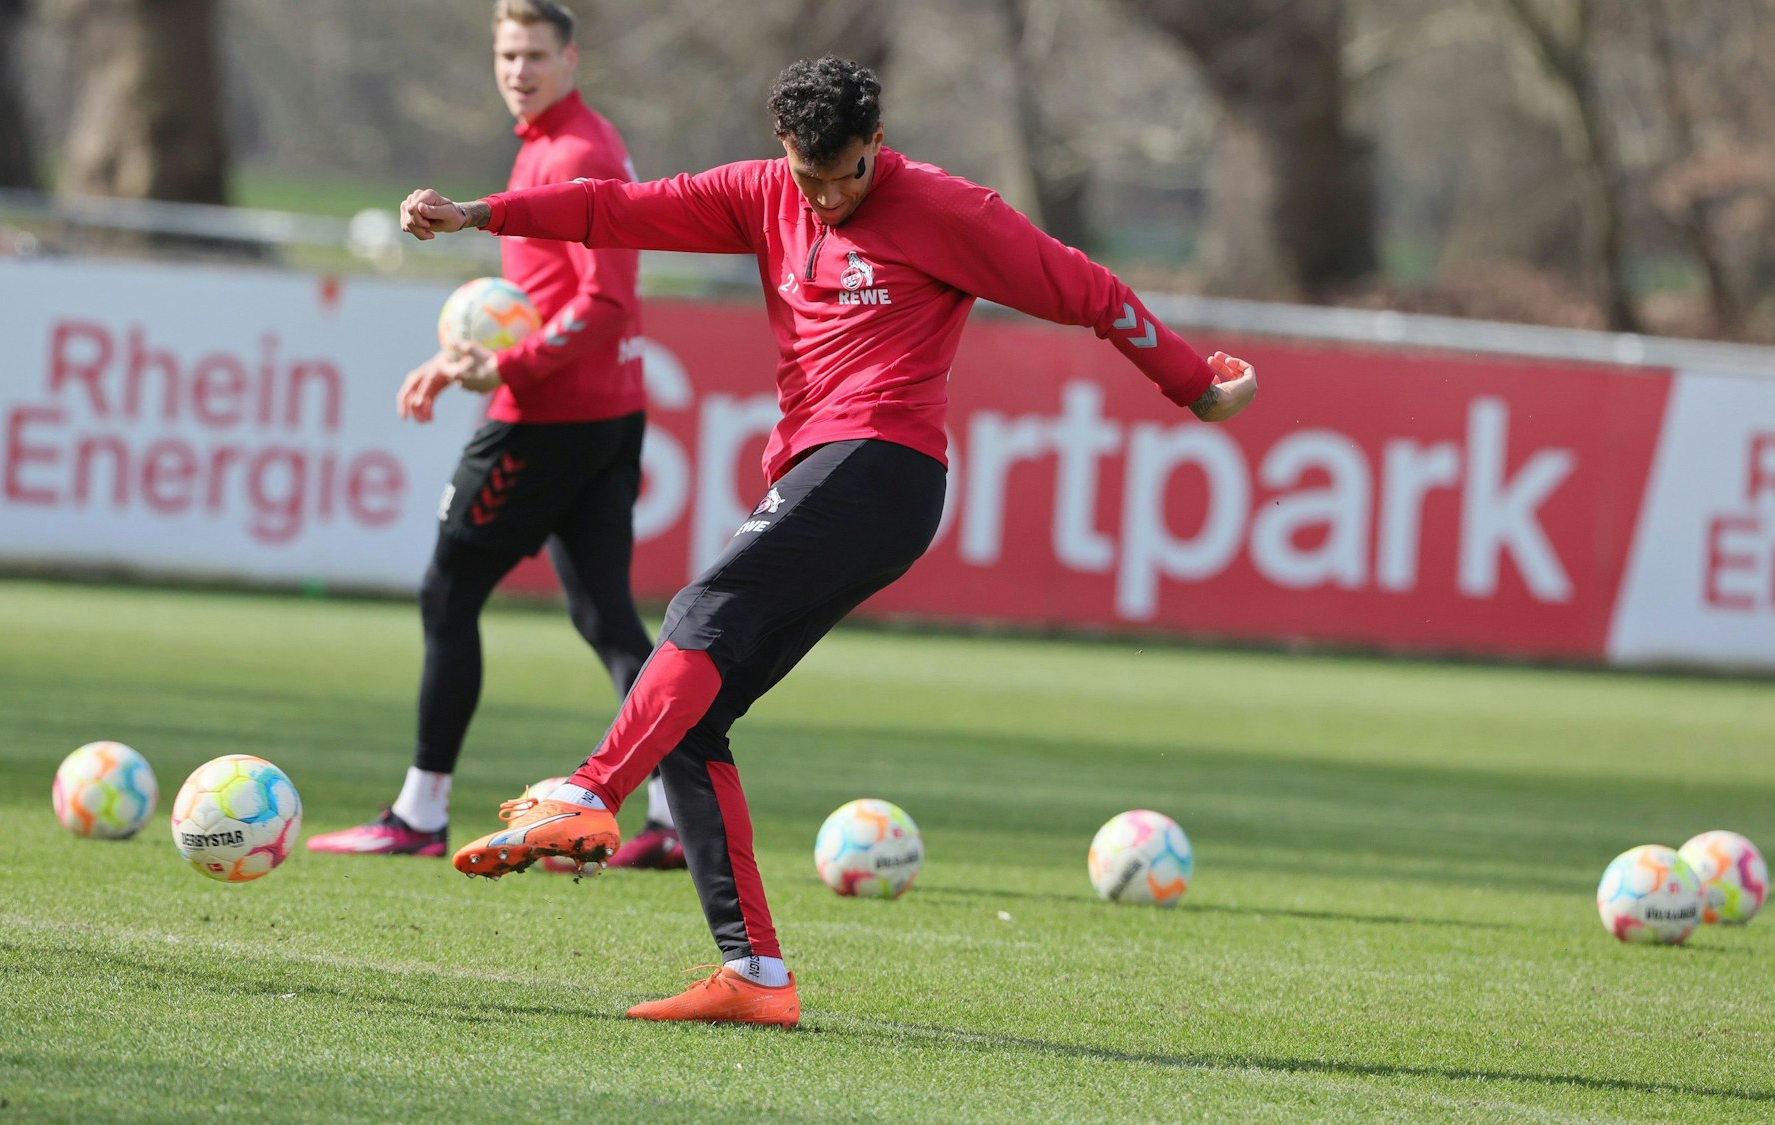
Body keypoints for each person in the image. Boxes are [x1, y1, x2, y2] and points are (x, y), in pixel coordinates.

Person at [399, 56, 1258, 1027]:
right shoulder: (760, 195)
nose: (829, 196)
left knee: (690, 617)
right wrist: (477, 215)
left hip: (885, 467)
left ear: (875, 147)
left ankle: (585, 790)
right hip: (821, 474)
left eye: (846, 173)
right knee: (688, 711)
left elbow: (1085, 290)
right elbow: (614, 210)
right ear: (784, 154)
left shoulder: (946, 210)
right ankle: (754, 975)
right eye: (811, 177)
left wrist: (1196, 385)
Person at [308, 0, 684, 868]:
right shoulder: (549, 143)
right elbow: (548, 295)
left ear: (571, 59)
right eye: (507, 53)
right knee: (606, 616)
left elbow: (606, 299)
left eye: (535, 54)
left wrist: (507, 372)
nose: (518, 68)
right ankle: (668, 815)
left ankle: (419, 812)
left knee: (449, 592)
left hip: (548, 421)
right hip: (602, 414)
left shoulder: (578, 149)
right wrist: (460, 361)